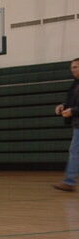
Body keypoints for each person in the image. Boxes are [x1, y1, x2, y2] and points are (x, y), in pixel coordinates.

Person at [52, 57, 79, 192]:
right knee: (75, 152)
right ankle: (69, 180)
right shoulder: (75, 84)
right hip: (77, 124)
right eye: (72, 67)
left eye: (75, 67)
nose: (72, 69)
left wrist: (73, 111)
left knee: (75, 152)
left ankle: (69, 181)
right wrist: (63, 106)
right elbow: (71, 102)